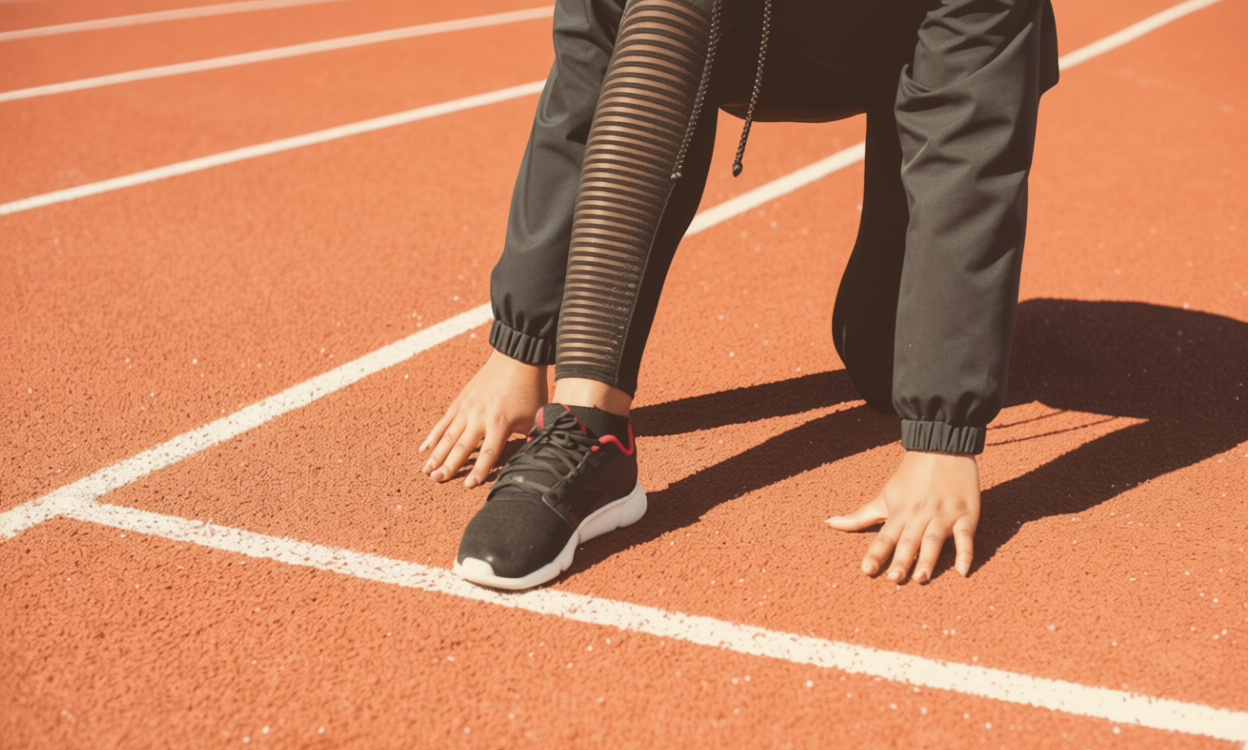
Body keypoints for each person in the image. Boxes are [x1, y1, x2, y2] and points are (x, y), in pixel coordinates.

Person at [420, 0, 1059, 589]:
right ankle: (591, 430)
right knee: (659, 19)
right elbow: (587, 73)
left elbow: (966, 141)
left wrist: (942, 436)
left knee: (887, 364)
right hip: (728, 30)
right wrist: (522, 343)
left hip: (913, 40)